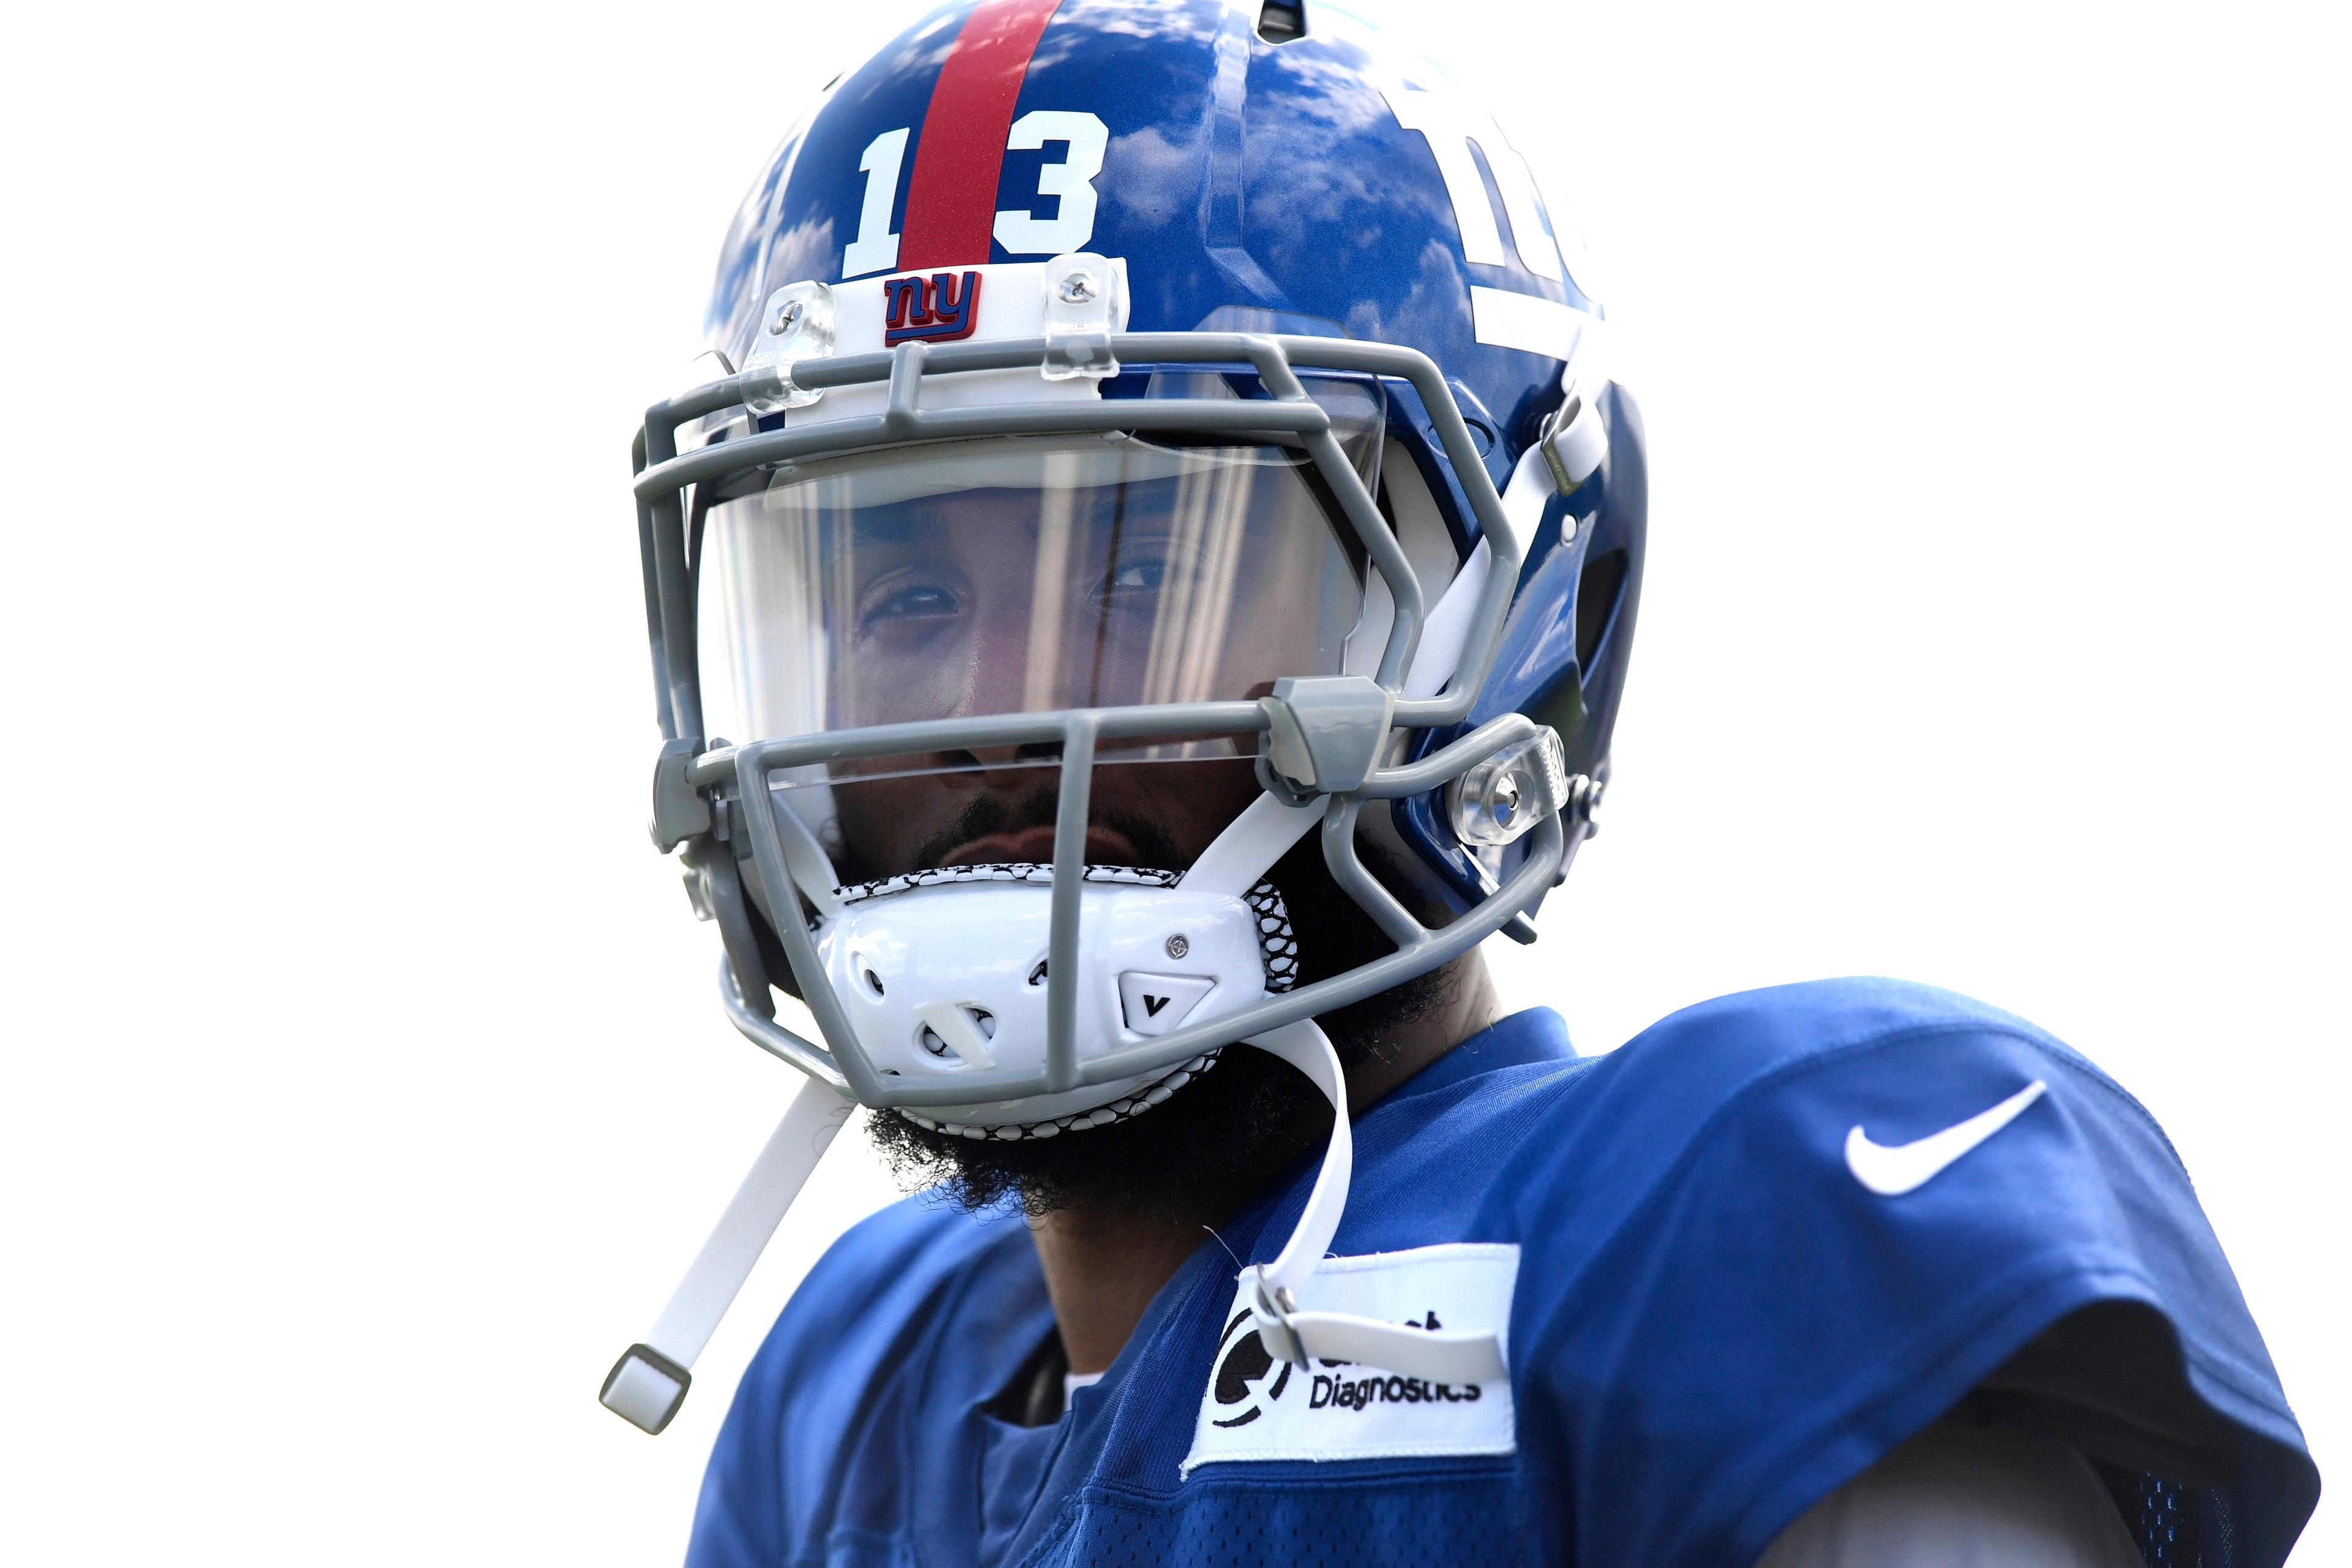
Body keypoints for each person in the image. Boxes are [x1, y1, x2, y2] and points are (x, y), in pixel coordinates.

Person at [603, 3, 2319, 1563]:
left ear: (1507, 618)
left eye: (1139, 579)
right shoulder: (856, 1398)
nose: (988, 711)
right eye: (905, 597)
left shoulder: (1705, 1253)